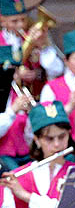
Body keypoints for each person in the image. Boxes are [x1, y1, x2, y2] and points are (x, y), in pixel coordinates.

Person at [0, 0, 63, 99]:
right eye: (14, 21)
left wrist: (43, 46)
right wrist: (16, 75)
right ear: (3, 22)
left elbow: (57, 70)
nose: (20, 24)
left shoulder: (32, 36)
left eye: (23, 19)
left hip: (38, 97)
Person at [40, 30, 75, 142]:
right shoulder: (51, 88)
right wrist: (70, 105)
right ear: (66, 61)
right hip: (65, 145)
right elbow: (44, 122)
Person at [0, 45, 32, 173]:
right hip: (4, 156)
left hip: (25, 153)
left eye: (17, 70)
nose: (14, 76)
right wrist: (12, 111)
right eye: (9, 70)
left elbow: (30, 134)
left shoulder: (19, 93)